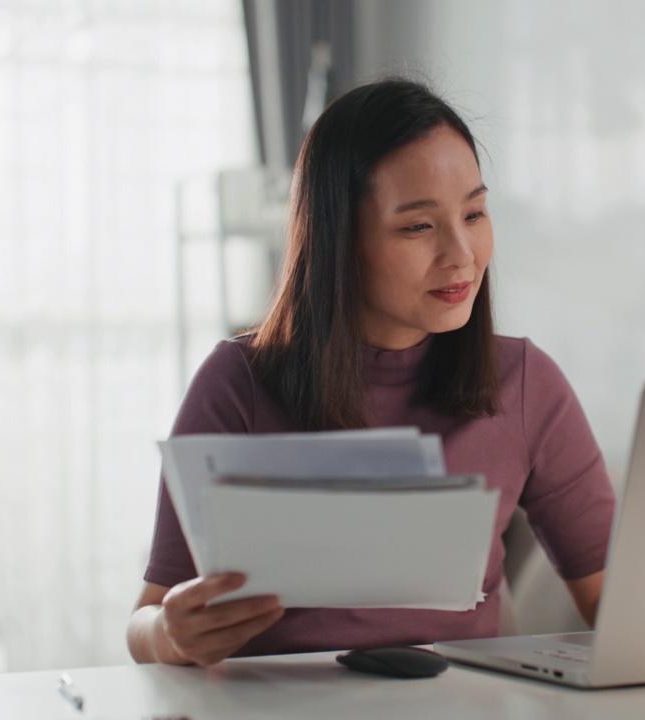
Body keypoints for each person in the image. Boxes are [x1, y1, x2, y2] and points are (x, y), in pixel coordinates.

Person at [126, 78, 615, 668]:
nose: (461, 252)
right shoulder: (239, 382)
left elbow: (617, 607)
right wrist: (168, 636)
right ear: (339, 240)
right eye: (418, 226)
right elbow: (148, 617)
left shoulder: (525, 382)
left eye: (475, 212)